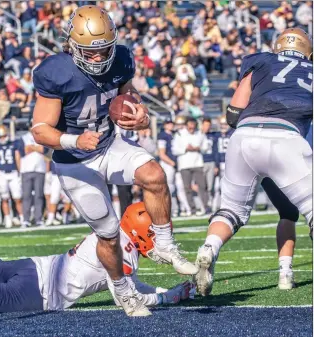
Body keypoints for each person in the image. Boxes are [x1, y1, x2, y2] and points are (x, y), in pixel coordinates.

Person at [31, 5, 197, 317]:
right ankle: (123, 291)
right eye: (89, 52)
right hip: (75, 162)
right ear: (73, 46)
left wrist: (140, 112)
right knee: (108, 233)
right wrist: (73, 140)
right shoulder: (56, 71)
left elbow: (128, 97)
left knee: (155, 175)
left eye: (103, 50)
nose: (97, 58)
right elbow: (40, 130)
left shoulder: (120, 57)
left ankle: (164, 243)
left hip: (108, 146)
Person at [0, 203, 195, 315]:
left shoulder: (110, 234)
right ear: (138, 230)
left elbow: (134, 286)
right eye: (154, 232)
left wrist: (165, 291)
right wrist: (167, 298)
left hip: (32, 266)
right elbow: (129, 298)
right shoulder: (125, 253)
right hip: (39, 292)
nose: (157, 240)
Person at [194, 28, 313, 296]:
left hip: (244, 137)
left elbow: (234, 113)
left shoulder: (261, 61)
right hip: (287, 139)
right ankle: (286, 270)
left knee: (232, 211)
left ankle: (210, 248)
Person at [0, 125, 23, 229]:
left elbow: (17, 158)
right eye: (1, 136)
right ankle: (8, 219)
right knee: (4, 198)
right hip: (1, 174)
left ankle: (22, 219)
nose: (3, 138)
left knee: (17, 198)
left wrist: (19, 172)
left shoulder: (13, 144)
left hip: (13, 173)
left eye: (4, 136)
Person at [157, 120, 178, 217]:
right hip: (168, 164)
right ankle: (170, 209)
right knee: (169, 187)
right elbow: (162, 154)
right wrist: (172, 163)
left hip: (176, 163)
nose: (170, 125)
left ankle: (176, 208)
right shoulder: (162, 135)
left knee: (178, 187)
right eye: (168, 123)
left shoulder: (175, 134)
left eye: (171, 124)